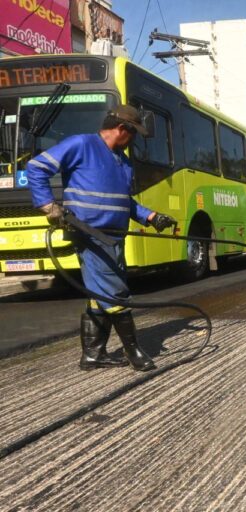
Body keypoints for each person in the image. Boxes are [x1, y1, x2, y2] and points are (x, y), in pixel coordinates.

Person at [26, 105, 176, 372]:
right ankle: (134, 352)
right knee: (116, 293)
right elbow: (36, 167)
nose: (135, 140)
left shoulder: (123, 161)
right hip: (89, 235)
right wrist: (48, 205)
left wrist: (151, 217)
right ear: (121, 129)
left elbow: (123, 202)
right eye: (134, 134)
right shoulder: (81, 144)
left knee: (100, 294)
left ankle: (93, 354)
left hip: (114, 238)